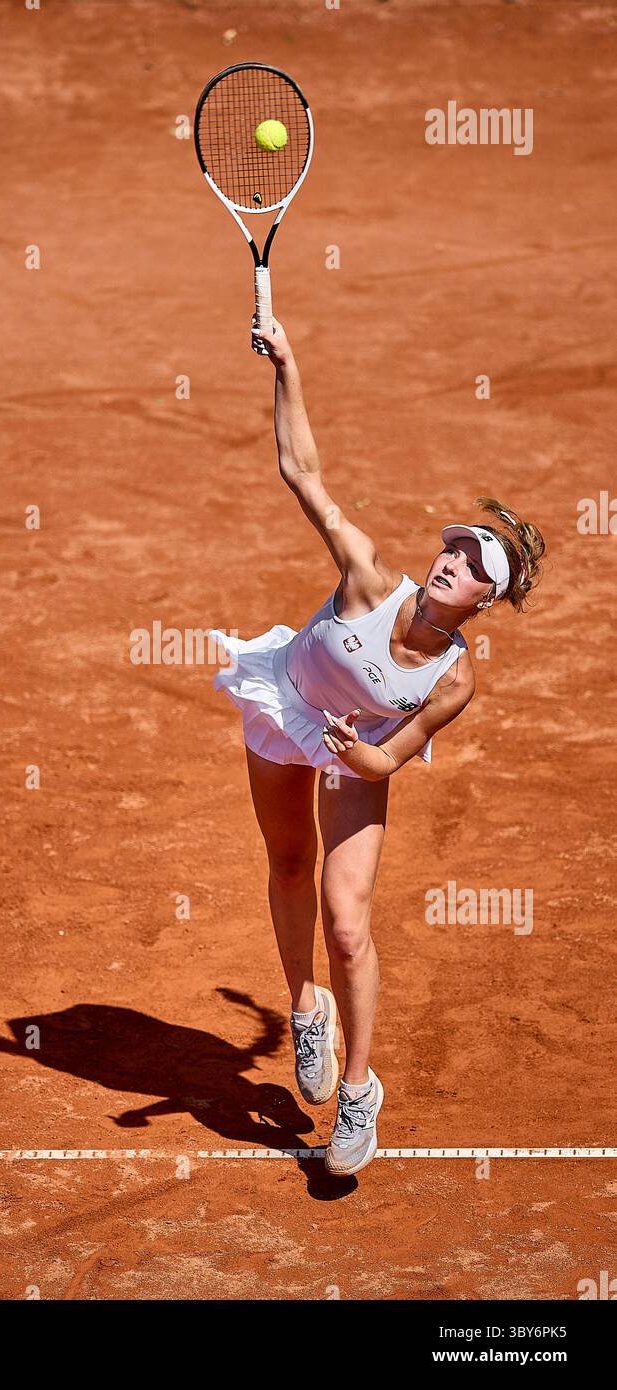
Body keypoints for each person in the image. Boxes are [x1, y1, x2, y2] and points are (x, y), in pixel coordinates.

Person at [209, 318, 546, 1176]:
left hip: (356, 752)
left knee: (348, 926)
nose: (452, 560)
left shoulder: (453, 683)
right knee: (288, 864)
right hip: (286, 708)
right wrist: (288, 366)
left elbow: (391, 761)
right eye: (456, 546)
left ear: (484, 600)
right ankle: (304, 1008)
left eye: (473, 565)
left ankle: (359, 1092)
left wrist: (360, 753)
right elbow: (302, 473)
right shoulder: (365, 576)